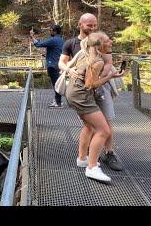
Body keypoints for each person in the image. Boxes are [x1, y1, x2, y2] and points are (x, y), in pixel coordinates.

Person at [58, 13, 123, 171]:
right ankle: (87, 159)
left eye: (95, 25)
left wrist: (100, 73)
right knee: (91, 125)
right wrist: (69, 70)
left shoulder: (100, 40)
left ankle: (108, 152)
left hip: (99, 86)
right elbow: (63, 62)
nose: (93, 28)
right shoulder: (72, 43)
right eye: (89, 25)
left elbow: (107, 63)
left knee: (105, 121)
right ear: (80, 24)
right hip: (85, 88)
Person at [30, 25, 64, 108]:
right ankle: (57, 100)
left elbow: (38, 44)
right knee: (57, 83)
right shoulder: (61, 40)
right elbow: (57, 52)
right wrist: (46, 54)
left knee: (56, 84)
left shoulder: (53, 40)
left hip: (53, 65)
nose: (50, 32)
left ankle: (58, 102)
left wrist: (32, 36)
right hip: (58, 64)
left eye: (51, 30)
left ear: (55, 31)